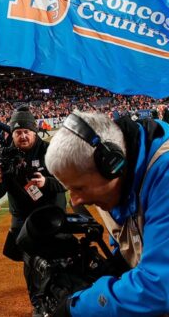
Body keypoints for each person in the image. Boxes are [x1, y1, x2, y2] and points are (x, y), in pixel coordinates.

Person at [44, 111, 169, 316]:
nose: (74, 200)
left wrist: (75, 308)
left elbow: (158, 289)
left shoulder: (165, 173)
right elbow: (126, 245)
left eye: (80, 188)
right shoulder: (115, 186)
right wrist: (113, 265)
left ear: (113, 166)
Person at [0, 107, 66, 317]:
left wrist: (47, 182)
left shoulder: (49, 151)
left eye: (26, 131)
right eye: (17, 132)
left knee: (58, 258)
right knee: (32, 260)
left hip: (50, 212)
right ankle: (38, 303)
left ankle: (59, 295)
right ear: (11, 134)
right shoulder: (5, 157)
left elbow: (66, 182)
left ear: (34, 131)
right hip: (22, 217)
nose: (22, 136)